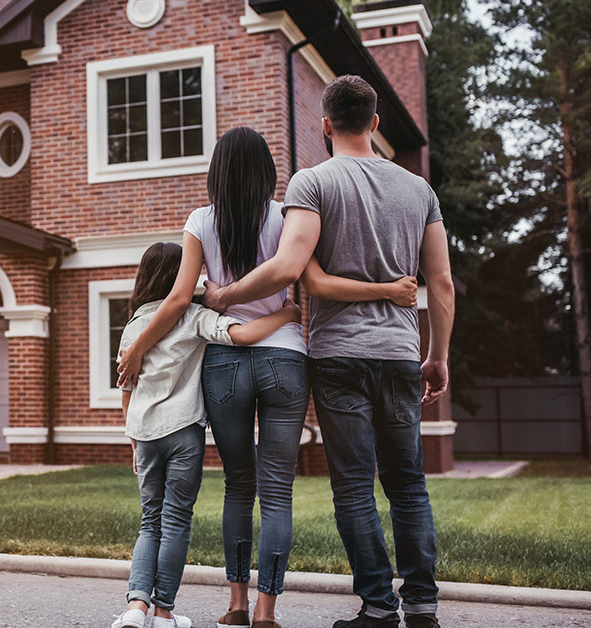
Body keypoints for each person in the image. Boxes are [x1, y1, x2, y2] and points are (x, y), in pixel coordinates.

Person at [118, 127, 418, 628]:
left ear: (216, 171)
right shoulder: (287, 216)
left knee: (239, 486)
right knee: (277, 491)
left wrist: (137, 349)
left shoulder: (200, 220)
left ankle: (235, 605)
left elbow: (176, 301)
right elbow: (314, 280)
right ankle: (265, 612)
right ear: (267, 171)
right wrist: (385, 290)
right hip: (285, 359)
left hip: (225, 364)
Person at [197, 76, 456, 628]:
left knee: (355, 484)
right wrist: (438, 355)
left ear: (325, 125)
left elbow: (292, 270)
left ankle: (380, 607)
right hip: (401, 351)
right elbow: (443, 284)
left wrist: (223, 296)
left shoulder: (312, 183)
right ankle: (424, 606)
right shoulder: (419, 191)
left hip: (339, 355)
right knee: (408, 481)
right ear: (376, 122)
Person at [112, 241, 302, 628]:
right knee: (176, 520)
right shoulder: (194, 316)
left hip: (145, 435)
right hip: (184, 433)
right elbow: (244, 335)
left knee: (151, 521)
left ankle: (135, 607)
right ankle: (164, 611)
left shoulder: (133, 328)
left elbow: (126, 390)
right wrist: (287, 313)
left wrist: (133, 441)